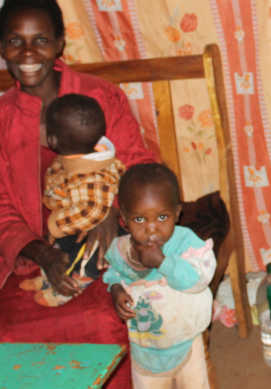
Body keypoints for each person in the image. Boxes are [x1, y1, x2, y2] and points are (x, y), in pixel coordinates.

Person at [0, 0, 155, 389]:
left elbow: (142, 167)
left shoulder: (101, 97)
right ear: (0, 45)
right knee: (10, 341)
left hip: (104, 247)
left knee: (108, 330)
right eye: (14, 40)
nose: (27, 52)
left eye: (40, 40)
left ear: (59, 44)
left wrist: (111, 215)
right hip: (32, 258)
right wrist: (44, 254)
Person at [104, 163, 214, 389]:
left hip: (187, 343)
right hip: (145, 347)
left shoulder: (188, 244)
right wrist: (115, 288)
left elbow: (198, 280)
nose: (152, 229)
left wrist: (163, 262)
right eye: (139, 219)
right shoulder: (124, 250)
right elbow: (114, 271)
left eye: (162, 217)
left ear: (177, 212)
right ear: (124, 218)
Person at [23, 93, 125, 306]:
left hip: (97, 229)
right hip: (78, 221)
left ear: (52, 140)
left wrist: (57, 225)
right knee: (62, 246)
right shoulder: (76, 157)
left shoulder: (90, 176)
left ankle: (75, 282)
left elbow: (94, 210)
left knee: (88, 251)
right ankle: (46, 278)